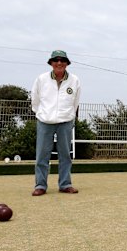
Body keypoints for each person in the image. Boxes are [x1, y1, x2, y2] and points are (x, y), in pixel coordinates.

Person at [31, 50, 81, 196]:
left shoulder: (75, 80)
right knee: (42, 154)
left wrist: (70, 115)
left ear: (67, 63)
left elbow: (76, 101)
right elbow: (35, 99)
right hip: (45, 121)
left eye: (62, 60)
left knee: (65, 154)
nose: (59, 63)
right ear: (51, 63)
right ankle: (40, 185)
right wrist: (40, 113)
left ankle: (65, 184)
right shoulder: (41, 79)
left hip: (65, 121)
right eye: (56, 60)